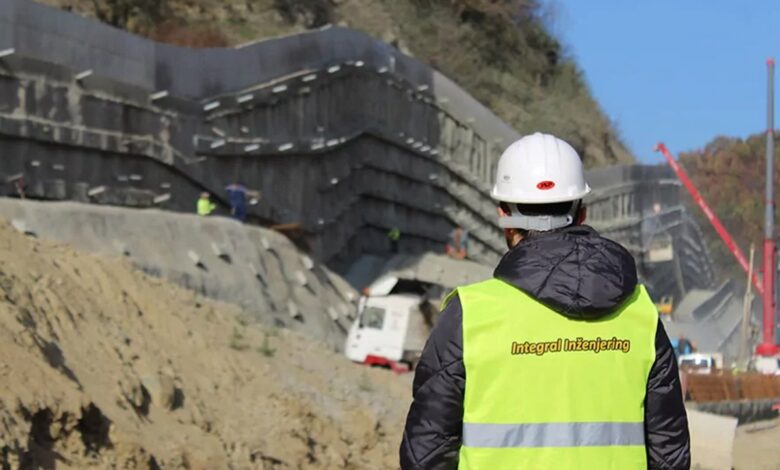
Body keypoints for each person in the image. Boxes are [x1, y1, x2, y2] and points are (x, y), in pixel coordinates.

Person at [400, 133, 690, 469]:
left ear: (504, 217)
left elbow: (426, 454)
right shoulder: (639, 314)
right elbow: (669, 454)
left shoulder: (471, 315)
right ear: (582, 213)